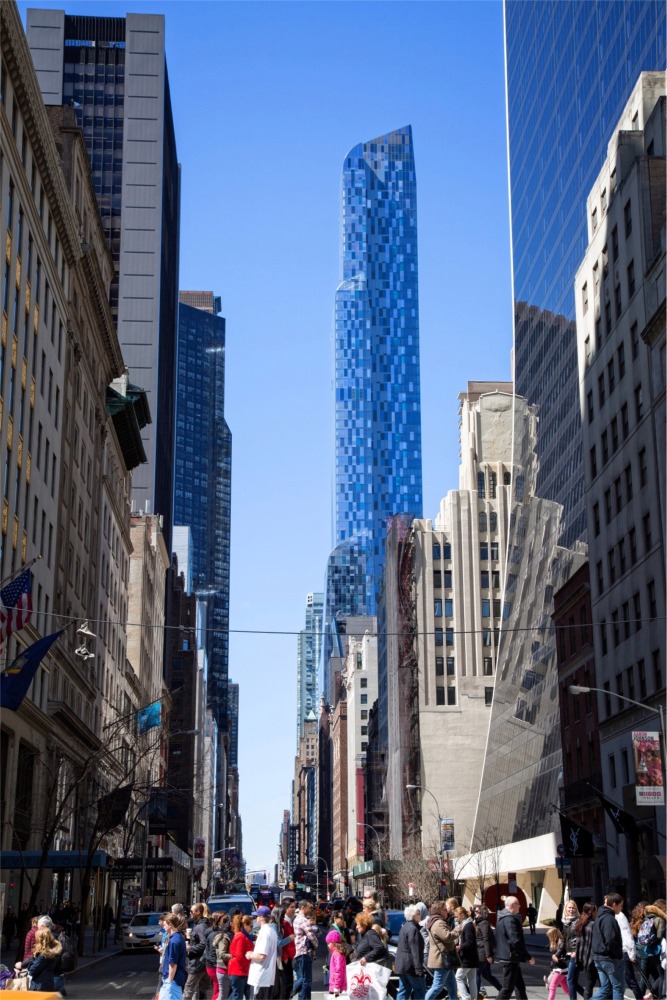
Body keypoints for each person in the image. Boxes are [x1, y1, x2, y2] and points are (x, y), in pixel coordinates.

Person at [494, 895, 535, 1000]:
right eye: (518, 904)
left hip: (509, 957)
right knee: (507, 989)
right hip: (510, 958)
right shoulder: (509, 920)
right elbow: (515, 940)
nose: (520, 906)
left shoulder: (501, 918)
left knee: (520, 987)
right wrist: (528, 956)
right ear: (512, 905)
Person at [591, 892, 624, 1000]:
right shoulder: (609, 918)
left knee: (606, 988)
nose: (621, 908)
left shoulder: (600, 916)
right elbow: (610, 940)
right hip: (608, 958)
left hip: (599, 957)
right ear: (614, 904)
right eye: (621, 905)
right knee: (618, 987)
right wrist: (618, 954)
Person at [425, 900, 459, 1000]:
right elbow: (447, 937)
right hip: (442, 960)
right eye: (445, 909)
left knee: (452, 988)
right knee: (437, 987)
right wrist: (458, 929)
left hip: (445, 960)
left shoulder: (436, 921)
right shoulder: (438, 923)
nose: (447, 911)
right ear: (439, 911)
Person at [14, 925, 62, 992]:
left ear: (40, 940)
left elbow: (32, 970)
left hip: (39, 986)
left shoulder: (43, 955)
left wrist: (27, 964)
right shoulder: (53, 952)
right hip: (49, 983)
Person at [636, 897, 666, 1000]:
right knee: (662, 976)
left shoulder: (647, 920)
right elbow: (660, 936)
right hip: (658, 950)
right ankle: (660, 997)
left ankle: (650, 995)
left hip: (648, 950)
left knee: (658, 976)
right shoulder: (659, 920)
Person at [394, 904, 426, 1000]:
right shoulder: (413, 929)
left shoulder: (405, 927)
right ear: (413, 916)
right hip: (411, 967)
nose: (420, 915)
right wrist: (418, 969)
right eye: (418, 914)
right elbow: (415, 950)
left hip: (402, 966)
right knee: (420, 990)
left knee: (404, 991)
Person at [246, 906, 277, 999]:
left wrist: (250, 955)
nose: (256, 919)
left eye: (257, 916)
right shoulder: (271, 930)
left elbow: (261, 956)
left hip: (260, 976)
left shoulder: (265, 932)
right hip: (266, 976)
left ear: (261, 917)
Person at [184, 902, 211, 1000]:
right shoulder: (200, 925)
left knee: (188, 991)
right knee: (206, 989)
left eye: (191, 911)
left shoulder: (201, 927)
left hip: (197, 964)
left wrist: (190, 948)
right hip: (202, 963)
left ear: (198, 912)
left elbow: (204, 944)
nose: (190, 913)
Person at [474, 904, 502, 997]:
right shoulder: (479, 922)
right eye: (475, 911)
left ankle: (476, 995)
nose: (475, 913)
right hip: (480, 951)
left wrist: (488, 955)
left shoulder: (484, 923)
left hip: (482, 952)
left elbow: (486, 939)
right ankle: (502, 990)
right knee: (487, 975)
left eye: (477, 911)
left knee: (477, 973)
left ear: (482, 913)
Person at [616, 901, 643, 1000]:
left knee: (630, 979)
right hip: (618, 953)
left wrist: (631, 954)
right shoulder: (612, 916)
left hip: (624, 952)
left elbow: (627, 935)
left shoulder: (620, 916)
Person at [292, 900, 319, 999]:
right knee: (306, 979)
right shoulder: (303, 920)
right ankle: (292, 991)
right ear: (303, 907)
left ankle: (297, 994)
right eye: (309, 908)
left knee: (303, 978)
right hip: (303, 951)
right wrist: (316, 944)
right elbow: (310, 934)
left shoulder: (296, 919)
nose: (310, 910)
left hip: (299, 951)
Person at [453, 905, 478, 1000]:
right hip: (472, 957)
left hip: (467, 958)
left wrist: (459, 947)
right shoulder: (468, 924)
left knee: (458, 977)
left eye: (457, 916)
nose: (456, 919)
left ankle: (465, 997)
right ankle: (473, 998)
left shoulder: (467, 926)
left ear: (462, 915)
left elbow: (469, 942)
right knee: (471, 979)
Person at [161, 912, 188, 1000]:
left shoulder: (174, 941)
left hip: (172, 981)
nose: (163, 927)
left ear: (170, 925)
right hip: (174, 980)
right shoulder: (178, 937)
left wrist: (169, 981)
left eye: (165, 925)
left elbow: (173, 963)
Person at [574, 904, 598, 1000]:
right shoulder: (593, 924)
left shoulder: (581, 923)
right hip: (593, 958)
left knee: (589, 986)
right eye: (596, 910)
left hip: (584, 958)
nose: (597, 912)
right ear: (592, 912)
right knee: (604, 986)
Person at [228, 913, 254, 1000]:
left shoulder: (241, 936)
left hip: (240, 970)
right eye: (251, 926)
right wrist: (250, 960)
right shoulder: (241, 936)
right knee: (237, 996)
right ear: (245, 925)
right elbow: (239, 956)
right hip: (239, 970)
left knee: (237, 995)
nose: (251, 928)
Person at [276, 900, 296, 999]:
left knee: (289, 984)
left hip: (290, 957)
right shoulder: (283, 923)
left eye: (294, 907)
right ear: (285, 909)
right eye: (291, 907)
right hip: (285, 958)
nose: (294, 909)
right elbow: (280, 943)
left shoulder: (289, 921)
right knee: (286, 984)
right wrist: (284, 956)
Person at [561, 899, 582, 999]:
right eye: (569, 907)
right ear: (565, 909)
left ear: (576, 909)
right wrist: (557, 954)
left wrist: (576, 951)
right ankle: (589, 997)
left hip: (575, 954)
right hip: (568, 954)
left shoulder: (578, 921)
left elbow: (581, 938)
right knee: (573, 981)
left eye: (573, 908)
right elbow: (564, 940)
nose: (571, 909)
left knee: (570, 980)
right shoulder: (565, 922)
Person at [205, 912, 227, 1000]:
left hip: (212, 965)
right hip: (213, 966)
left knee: (217, 988)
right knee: (218, 990)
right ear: (218, 920)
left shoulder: (216, 932)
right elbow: (213, 952)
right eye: (224, 919)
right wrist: (216, 965)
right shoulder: (215, 934)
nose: (226, 921)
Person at [213, 912, 233, 1000]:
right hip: (223, 970)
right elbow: (222, 954)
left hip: (225, 969)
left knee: (224, 995)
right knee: (222, 996)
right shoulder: (224, 938)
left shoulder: (226, 936)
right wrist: (233, 956)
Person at [546, 927, 570, 998]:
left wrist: (556, 956)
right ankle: (573, 998)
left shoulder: (561, 942)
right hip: (559, 968)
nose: (549, 938)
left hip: (560, 968)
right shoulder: (555, 943)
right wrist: (551, 968)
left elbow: (560, 953)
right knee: (565, 987)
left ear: (553, 935)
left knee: (552, 986)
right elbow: (553, 958)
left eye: (550, 936)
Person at [325, 929, 347, 998]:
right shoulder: (336, 953)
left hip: (336, 987)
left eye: (329, 943)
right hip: (335, 985)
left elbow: (339, 970)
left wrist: (337, 986)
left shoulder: (337, 954)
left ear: (333, 942)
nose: (328, 945)